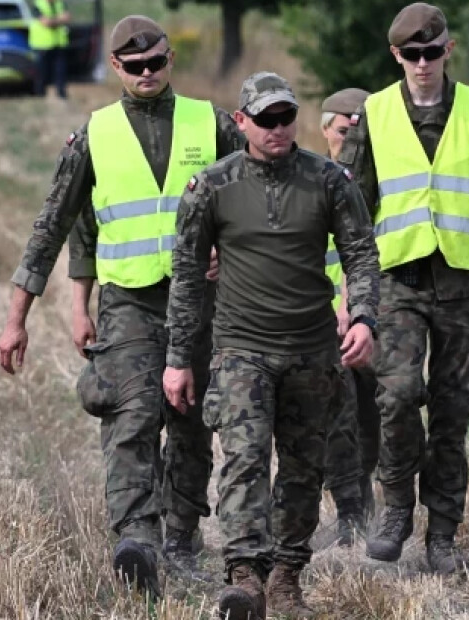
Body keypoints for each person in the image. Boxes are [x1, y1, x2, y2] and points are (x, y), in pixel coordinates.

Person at [0, 15, 243, 600]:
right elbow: (52, 227)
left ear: (169, 59)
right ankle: (136, 539)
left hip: (201, 304)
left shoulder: (211, 124)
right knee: (132, 415)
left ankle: (181, 536)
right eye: (135, 67)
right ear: (115, 68)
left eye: (156, 62)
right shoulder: (95, 135)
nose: (148, 73)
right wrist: (16, 318)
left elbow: (258, 197)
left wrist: (227, 253)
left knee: (190, 421)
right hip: (129, 301)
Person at [163, 72, 380, 620]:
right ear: (242, 123)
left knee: (304, 468)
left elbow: (360, 252)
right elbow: (187, 278)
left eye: (286, 118)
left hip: (311, 350)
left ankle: (286, 576)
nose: (277, 128)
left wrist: (363, 317)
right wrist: (177, 360)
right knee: (244, 460)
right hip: (241, 348)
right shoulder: (211, 187)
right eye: (265, 120)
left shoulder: (328, 180)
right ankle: (244, 576)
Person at [337, 2, 469, 575]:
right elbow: (351, 210)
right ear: (397, 56)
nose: (422, 63)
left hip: (465, 284)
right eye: (410, 55)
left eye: (431, 52)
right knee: (395, 396)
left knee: (453, 412)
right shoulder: (373, 113)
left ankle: (442, 534)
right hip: (397, 281)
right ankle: (396, 508)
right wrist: (350, 293)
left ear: (449, 49)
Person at [320, 87, 381, 546]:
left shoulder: (378, 186)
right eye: (344, 132)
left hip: (365, 317)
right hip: (314, 318)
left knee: (367, 412)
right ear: (325, 130)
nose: (352, 141)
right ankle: (345, 508)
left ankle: (359, 502)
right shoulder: (309, 180)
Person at [29, 0, 70, 99]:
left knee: (60, 70)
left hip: (59, 43)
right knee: (42, 71)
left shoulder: (60, 3)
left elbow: (67, 17)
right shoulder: (37, 4)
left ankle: (61, 93)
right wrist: (59, 20)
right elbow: (46, 22)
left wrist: (53, 21)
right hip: (42, 44)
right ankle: (40, 93)